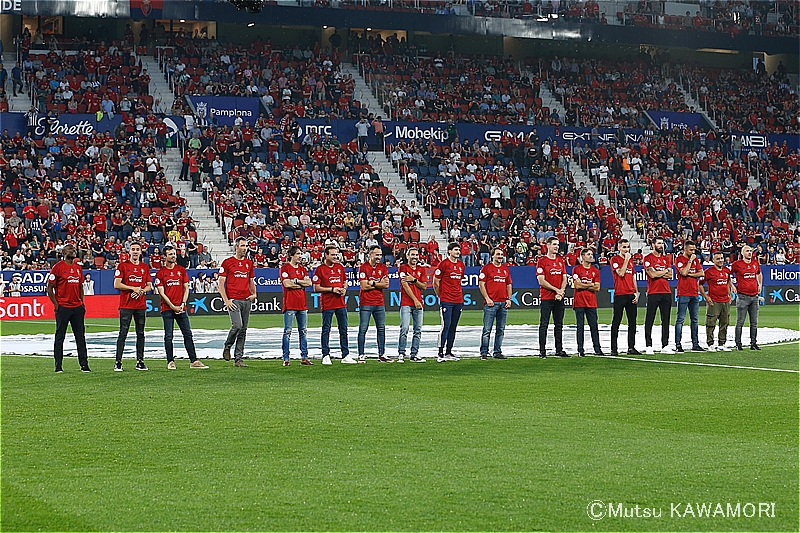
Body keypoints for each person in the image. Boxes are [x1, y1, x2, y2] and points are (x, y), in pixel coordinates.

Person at [154, 245, 208, 369]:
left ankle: (193, 361)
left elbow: (186, 288)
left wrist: (183, 304)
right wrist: (173, 306)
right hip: (167, 309)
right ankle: (170, 361)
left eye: (174, 254)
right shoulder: (160, 273)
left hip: (181, 308)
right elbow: (162, 293)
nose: (173, 256)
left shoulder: (181, 270)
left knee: (188, 334)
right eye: (170, 254)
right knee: (168, 335)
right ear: (164, 256)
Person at [46, 243, 89, 373]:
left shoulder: (78, 268)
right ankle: (58, 365)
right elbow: (50, 288)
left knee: (80, 337)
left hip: (77, 307)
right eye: (70, 249)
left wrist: (82, 303)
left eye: (74, 249)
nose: (73, 250)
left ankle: (84, 365)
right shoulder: (57, 268)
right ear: (64, 253)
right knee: (60, 336)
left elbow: (81, 287)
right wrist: (57, 305)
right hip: (63, 307)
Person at [113, 242, 153, 371]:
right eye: (133, 249)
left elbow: (149, 286)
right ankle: (118, 362)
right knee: (123, 333)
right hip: (126, 305)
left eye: (137, 250)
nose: (135, 252)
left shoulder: (145, 267)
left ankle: (140, 361)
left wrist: (141, 291)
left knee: (140, 333)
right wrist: (133, 288)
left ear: (141, 252)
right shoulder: (123, 266)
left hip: (140, 305)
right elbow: (117, 284)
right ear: (129, 252)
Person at [313, 245, 355, 365]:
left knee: (344, 329)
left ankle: (345, 354)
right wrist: (332, 289)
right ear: (326, 255)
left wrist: (344, 288)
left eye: (336, 254)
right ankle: (325, 355)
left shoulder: (340, 267)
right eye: (332, 254)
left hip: (340, 303)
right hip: (328, 303)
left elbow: (344, 282)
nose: (335, 257)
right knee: (326, 329)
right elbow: (316, 287)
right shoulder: (320, 269)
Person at [219, 237, 256, 367]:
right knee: (237, 325)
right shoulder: (227, 262)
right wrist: (226, 301)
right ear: (236, 247)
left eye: (246, 246)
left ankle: (238, 359)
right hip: (234, 300)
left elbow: (251, 281)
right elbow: (221, 283)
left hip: (246, 299)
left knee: (243, 330)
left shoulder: (249, 263)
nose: (245, 248)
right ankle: (227, 346)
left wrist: (254, 294)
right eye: (242, 246)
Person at [280, 246, 313, 366]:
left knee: (303, 331)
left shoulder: (302, 269)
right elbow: (286, 284)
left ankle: (304, 357)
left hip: (302, 305)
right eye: (298, 254)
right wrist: (300, 283)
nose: (300, 256)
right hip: (290, 304)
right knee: (288, 331)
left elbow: (309, 283)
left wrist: (295, 281)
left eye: (300, 254)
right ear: (291, 255)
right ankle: (286, 358)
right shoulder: (285, 268)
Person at [536, 236, 568, 358]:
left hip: (559, 297)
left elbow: (564, 278)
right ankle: (542, 351)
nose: (556, 247)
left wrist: (561, 291)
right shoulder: (542, 261)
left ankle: (559, 349)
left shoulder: (560, 261)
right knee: (544, 324)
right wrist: (557, 290)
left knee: (559, 324)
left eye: (557, 244)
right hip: (547, 297)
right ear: (548, 246)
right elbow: (541, 281)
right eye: (554, 244)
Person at [479, 247, 512, 360]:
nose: (500, 256)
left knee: (500, 329)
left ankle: (497, 351)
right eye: (498, 254)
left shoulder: (505, 269)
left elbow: (508, 284)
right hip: (491, 303)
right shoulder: (486, 268)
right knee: (487, 330)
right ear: (492, 256)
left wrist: (509, 298)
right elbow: (481, 284)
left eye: (501, 254)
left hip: (503, 303)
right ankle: (484, 352)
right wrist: (487, 298)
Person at [358, 245, 390, 362]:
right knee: (363, 328)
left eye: (380, 255)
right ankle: (361, 354)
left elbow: (386, 285)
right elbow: (364, 286)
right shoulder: (363, 267)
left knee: (381, 329)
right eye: (377, 255)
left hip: (379, 303)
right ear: (370, 254)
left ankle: (382, 354)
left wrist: (372, 282)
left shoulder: (383, 267)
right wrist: (378, 283)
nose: (379, 257)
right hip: (366, 302)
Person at [434, 242, 465, 362]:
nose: (458, 252)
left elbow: (458, 282)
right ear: (449, 251)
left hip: (458, 300)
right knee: (446, 326)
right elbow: (436, 282)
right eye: (456, 250)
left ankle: (449, 351)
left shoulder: (461, 265)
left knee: (453, 326)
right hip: (447, 300)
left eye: (459, 250)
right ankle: (440, 352)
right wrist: (440, 295)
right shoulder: (443, 264)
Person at [643, 237, 674, 354]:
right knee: (650, 318)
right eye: (659, 243)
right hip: (653, 292)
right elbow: (652, 274)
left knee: (665, 319)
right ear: (653, 244)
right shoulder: (648, 258)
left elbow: (670, 275)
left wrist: (660, 273)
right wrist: (663, 272)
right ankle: (648, 345)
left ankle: (665, 345)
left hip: (666, 292)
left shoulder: (666, 259)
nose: (661, 245)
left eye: (662, 243)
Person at [610, 239, 640, 356]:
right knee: (616, 321)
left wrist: (636, 292)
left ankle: (631, 347)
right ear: (619, 248)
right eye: (624, 247)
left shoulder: (630, 262)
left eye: (627, 247)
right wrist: (626, 260)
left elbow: (632, 277)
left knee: (632, 322)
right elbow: (621, 273)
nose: (626, 249)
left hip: (630, 294)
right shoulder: (615, 260)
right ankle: (614, 348)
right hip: (620, 294)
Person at [699, 251, 734, 352]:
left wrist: (729, 294)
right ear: (713, 260)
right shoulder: (709, 271)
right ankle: (710, 343)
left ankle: (722, 343)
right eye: (718, 259)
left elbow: (727, 282)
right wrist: (706, 297)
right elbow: (699, 284)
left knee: (725, 322)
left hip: (725, 301)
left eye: (721, 258)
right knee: (711, 323)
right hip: (714, 301)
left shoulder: (727, 271)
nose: (720, 260)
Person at [674, 240, 705, 353]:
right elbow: (683, 272)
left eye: (694, 250)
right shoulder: (679, 260)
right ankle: (678, 344)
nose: (693, 252)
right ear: (685, 249)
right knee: (680, 319)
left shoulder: (696, 260)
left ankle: (695, 344)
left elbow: (702, 273)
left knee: (695, 320)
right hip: (683, 293)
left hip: (694, 292)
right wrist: (690, 262)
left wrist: (690, 274)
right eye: (691, 249)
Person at [571, 247, 603, 357]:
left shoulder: (595, 270)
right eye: (589, 254)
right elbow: (577, 285)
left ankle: (597, 349)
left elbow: (598, 288)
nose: (591, 256)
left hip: (591, 302)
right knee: (580, 327)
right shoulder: (576, 269)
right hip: (579, 302)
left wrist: (585, 285)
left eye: (591, 254)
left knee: (594, 326)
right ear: (583, 256)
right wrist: (591, 285)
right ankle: (580, 350)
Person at [398, 247, 428, 363]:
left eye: (416, 255)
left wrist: (414, 280)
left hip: (418, 303)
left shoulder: (421, 269)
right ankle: (401, 353)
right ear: (407, 256)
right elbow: (404, 285)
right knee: (404, 328)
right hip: (407, 302)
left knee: (418, 330)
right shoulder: (403, 268)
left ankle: (414, 354)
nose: (415, 257)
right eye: (412, 255)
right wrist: (415, 300)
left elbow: (424, 286)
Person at [731, 244, 762, 351]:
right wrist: (732, 286)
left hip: (754, 296)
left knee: (754, 322)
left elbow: (759, 273)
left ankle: (753, 343)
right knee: (740, 321)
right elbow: (727, 274)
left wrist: (760, 284)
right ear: (742, 253)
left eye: (750, 251)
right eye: (747, 251)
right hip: (742, 296)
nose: (749, 252)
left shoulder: (755, 263)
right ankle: (738, 344)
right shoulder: (737, 264)